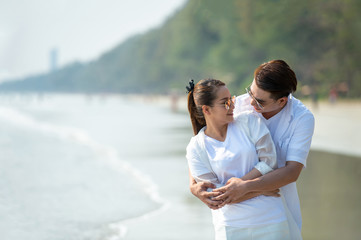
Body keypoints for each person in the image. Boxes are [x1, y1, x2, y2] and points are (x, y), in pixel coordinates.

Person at [190, 60, 315, 236]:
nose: (251, 103)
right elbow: (203, 144)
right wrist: (193, 185)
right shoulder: (237, 105)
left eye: (259, 101)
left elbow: (292, 172)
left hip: (277, 202)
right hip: (234, 216)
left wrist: (247, 187)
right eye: (250, 92)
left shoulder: (301, 119)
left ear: (281, 101)